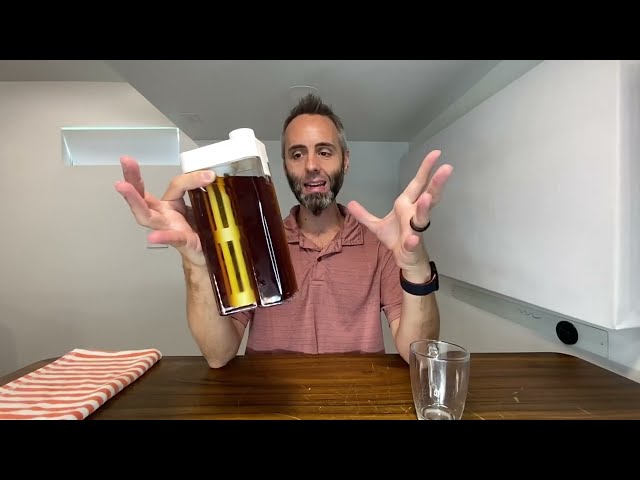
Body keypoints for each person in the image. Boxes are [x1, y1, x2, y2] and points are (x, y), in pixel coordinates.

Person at [115, 93, 453, 368]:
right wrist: (195, 261)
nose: (311, 166)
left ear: (345, 160)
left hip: (354, 402)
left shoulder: (379, 245)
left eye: (324, 151)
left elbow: (418, 353)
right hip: (270, 401)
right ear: (284, 165)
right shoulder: (254, 240)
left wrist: (415, 266)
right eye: (297, 154)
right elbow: (218, 354)